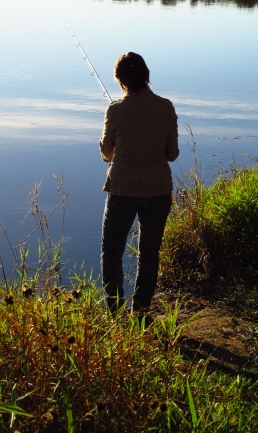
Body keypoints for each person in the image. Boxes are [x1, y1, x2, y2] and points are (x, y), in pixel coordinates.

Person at [100, 52, 179, 321]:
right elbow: (172, 153)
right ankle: (141, 310)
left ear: (121, 80)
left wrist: (106, 148)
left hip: (122, 190)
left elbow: (108, 152)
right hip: (158, 190)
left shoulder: (115, 110)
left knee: (111, 251)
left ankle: (114, 313)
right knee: (149, 252)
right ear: (146, 75)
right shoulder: (166, 107)